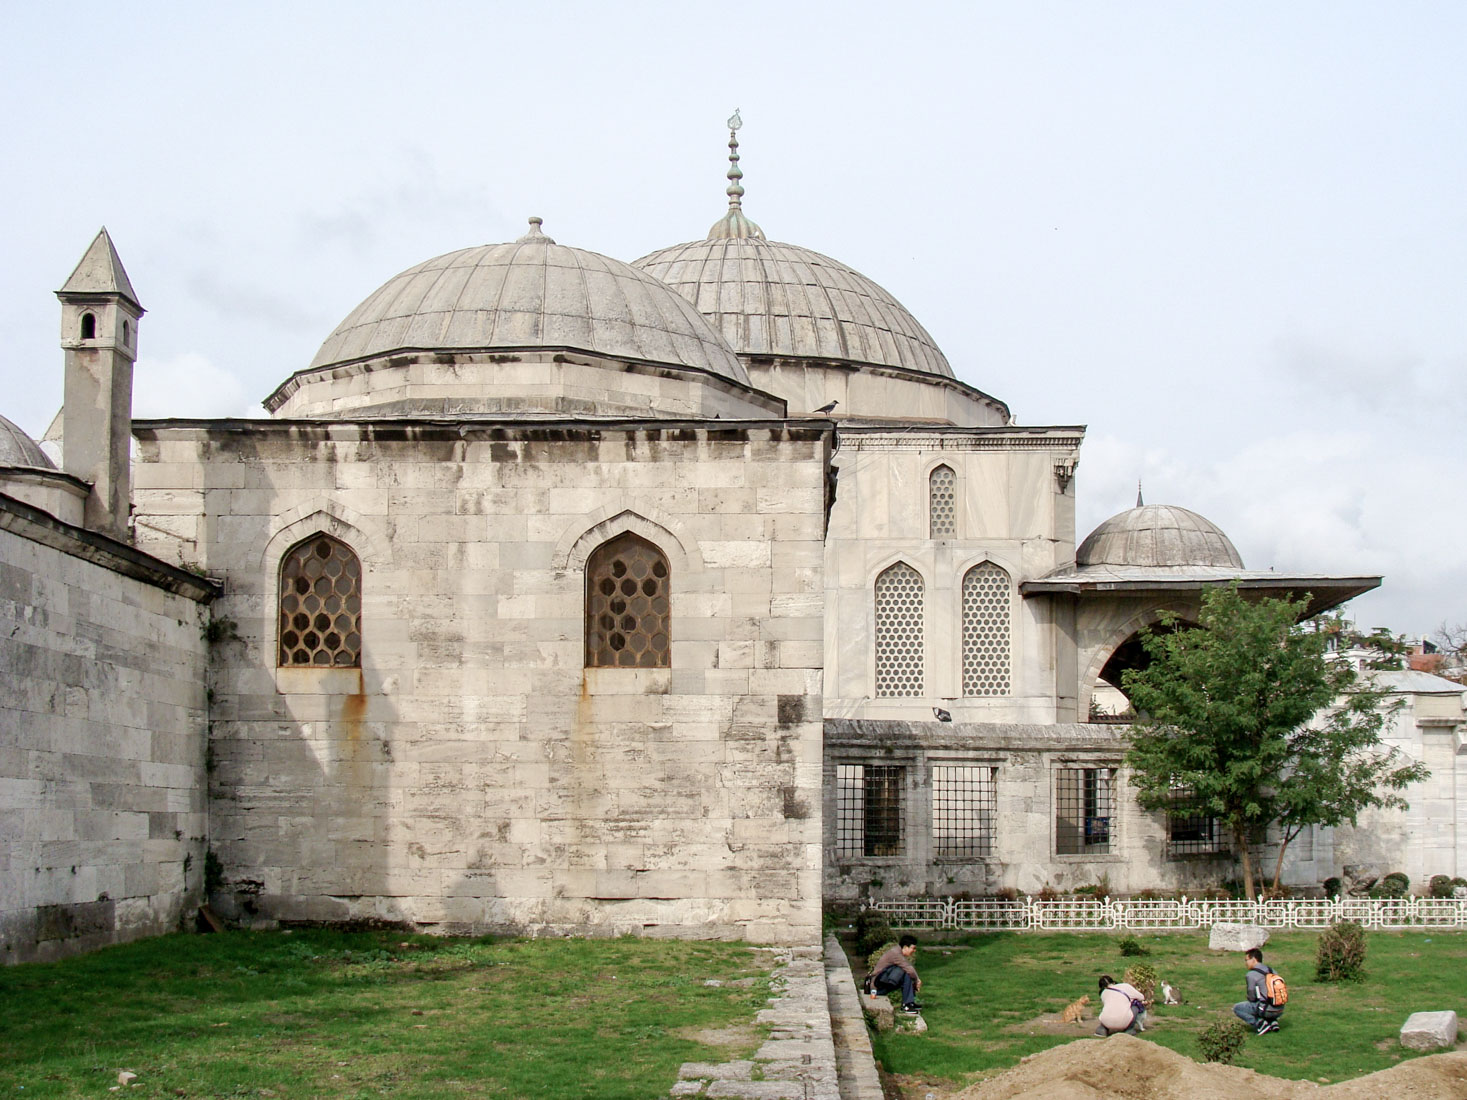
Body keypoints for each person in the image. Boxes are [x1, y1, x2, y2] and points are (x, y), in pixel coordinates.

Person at [1233, 947, 1284, 1034]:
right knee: (1265, 999)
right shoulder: (1272, 971)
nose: (1246, 963)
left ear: (1254, 959)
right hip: (1280, 1009)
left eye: (1246, 960)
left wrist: (1252, 1000)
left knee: (1237, 1008)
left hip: (1266, 1010)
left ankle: (1260, 1024)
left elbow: (1251, 996)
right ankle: (1272, 1022)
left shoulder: (1251, 975)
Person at [868, 934, 923, 1012]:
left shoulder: (897, 952)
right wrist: (917, 980)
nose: (914, 951)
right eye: (913, 948)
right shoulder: (896, 954)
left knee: (906, 974)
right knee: (906, 973)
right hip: (877, 986)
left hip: (883, 981)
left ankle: (909, 1003)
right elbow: (909, 969)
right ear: (905, 947)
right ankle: (907, 1004)